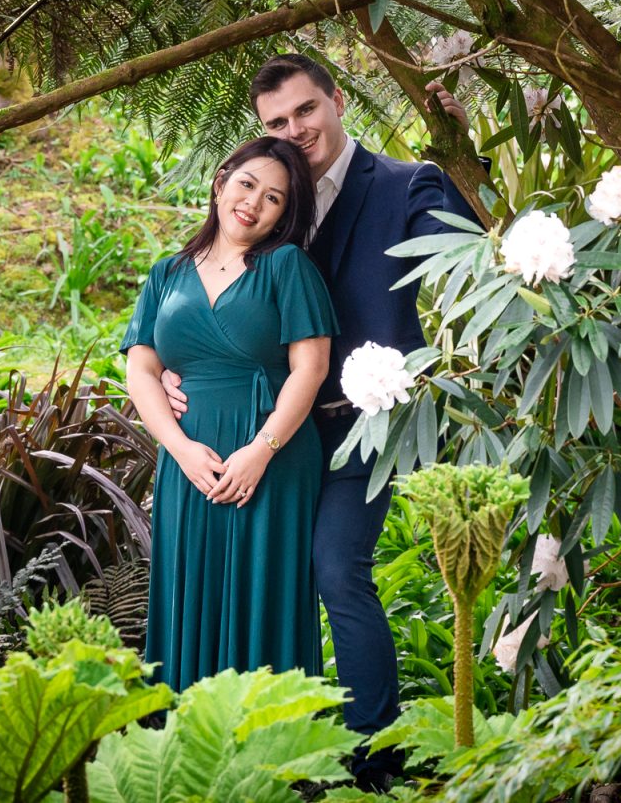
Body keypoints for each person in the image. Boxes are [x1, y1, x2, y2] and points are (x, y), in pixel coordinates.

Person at [161, 53, 479, 790]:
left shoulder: (406, 184)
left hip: (360, 427)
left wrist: (461, 156)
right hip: (268, 433)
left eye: (306, 109)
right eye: (277, 121)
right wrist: (180, 367)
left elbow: (468, 253)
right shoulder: (266, 200)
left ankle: (372, 759)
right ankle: (262, 748)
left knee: (336, 568)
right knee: (260, 578)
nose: (296, 129)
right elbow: (212, 295)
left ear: (337, 99)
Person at [121, 135, 339, 691]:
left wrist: (261, 451)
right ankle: (189, 728)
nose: (253, 203)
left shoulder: (287, 267)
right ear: (220, 184)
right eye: (247, 184)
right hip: (188, 462)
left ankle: (271, 731)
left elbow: (310, 368)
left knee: (263, 593)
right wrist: (180, 449)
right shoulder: (166, 274)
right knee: (189, 586)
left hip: (271, 458)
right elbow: (141, 370)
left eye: (274, 198)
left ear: (284, 215)